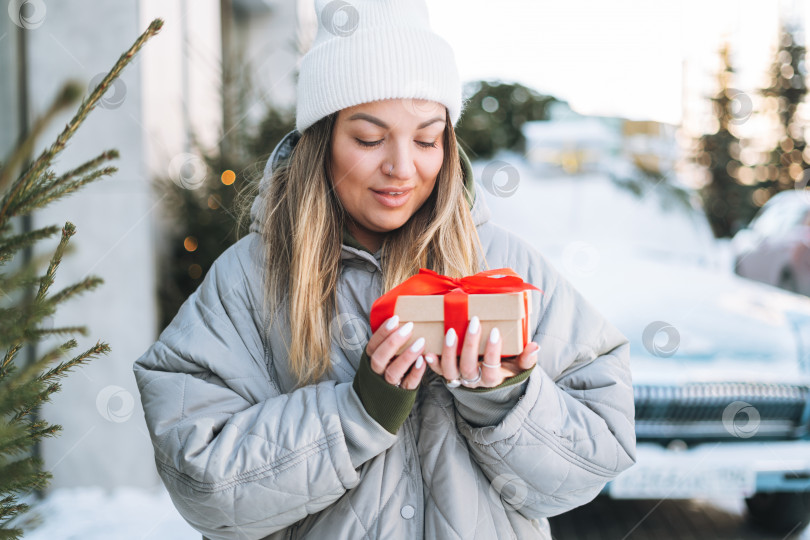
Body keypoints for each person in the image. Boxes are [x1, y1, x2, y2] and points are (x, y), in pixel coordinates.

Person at [132, 0, 637, 538]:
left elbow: (598, 453)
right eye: (370, 139)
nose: (402, 167)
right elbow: (201, 486)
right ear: (321, 140)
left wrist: (505, 401)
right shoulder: (249, 281)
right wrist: (359, 411)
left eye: (426, 138)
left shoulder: (505, 264)